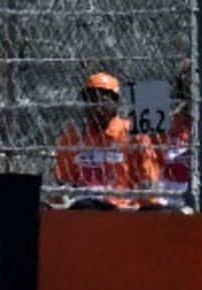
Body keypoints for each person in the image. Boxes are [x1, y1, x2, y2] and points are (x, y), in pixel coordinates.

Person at [54, 72, 159, 209]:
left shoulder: (133, 136)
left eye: (103, 100)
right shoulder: (73, 137)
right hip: (83, 211)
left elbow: (148, 183)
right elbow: (63, 182)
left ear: (115, 102)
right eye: (92, 100)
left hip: (122, 211)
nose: (97, 107)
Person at [153, 59, 202, 207]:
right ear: (181, 87)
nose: (196, 87)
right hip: (170, 201)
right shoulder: (165, 125)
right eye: (190, 81)